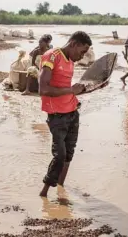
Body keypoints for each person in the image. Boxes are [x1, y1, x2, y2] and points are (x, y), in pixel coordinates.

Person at [38, 31, 92, 197]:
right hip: (57, 115)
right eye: (82, 51)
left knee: (69, 153)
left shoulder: (70, 61)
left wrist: (91, 87)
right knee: (60, 155)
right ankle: (44, 193)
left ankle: (61, 190)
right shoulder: (52, 56)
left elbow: (67, 90)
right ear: (74, 44)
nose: (82, 56)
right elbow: (43, 89)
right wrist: (71, 89)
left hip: (72, 112)